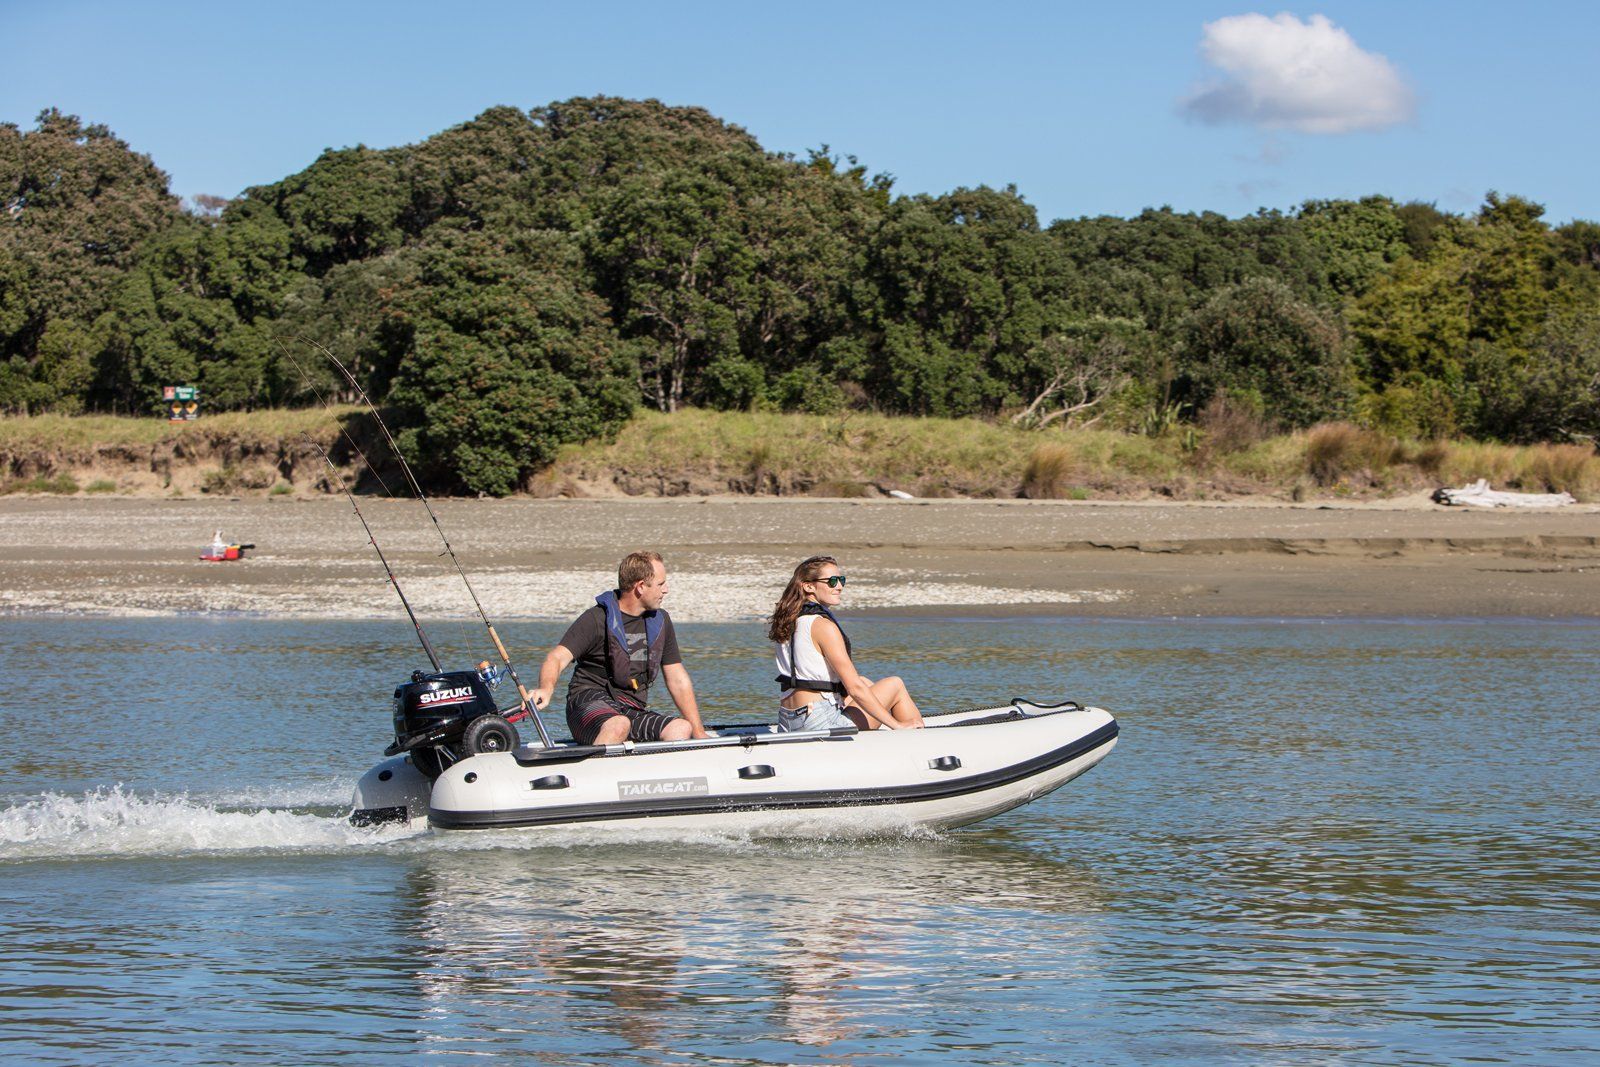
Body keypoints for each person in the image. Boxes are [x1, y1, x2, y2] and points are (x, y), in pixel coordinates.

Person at [530, 551, 709, 745]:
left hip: (629, 707)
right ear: (640, 587)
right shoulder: (597, 619)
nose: (666, 589)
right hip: (586, 704)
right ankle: (593, 772)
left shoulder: (661, 621)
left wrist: (699, 734)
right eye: (660, 584)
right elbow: (556, 658)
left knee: (681, 728)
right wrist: (545, 688)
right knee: (618, 725)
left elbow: (677, 678)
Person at [768, 555, 924, 732]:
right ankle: (915, 735)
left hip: (788, 720)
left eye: (841, 580)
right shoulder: (822, 625)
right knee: (895, 684)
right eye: (832, 581)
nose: (840, 586)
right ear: (809, 586)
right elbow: (854, 688)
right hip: (820, 722)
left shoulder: (788, 621)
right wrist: (896, 725)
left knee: (864, 682)